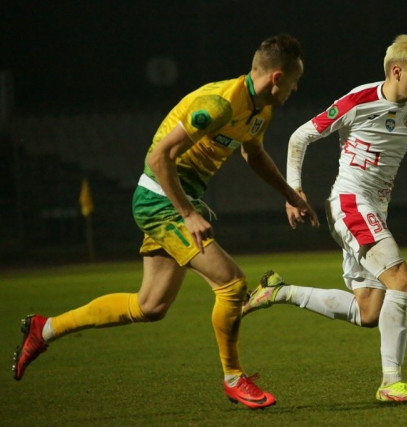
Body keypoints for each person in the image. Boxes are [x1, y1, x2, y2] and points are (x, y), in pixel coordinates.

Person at [12, 33, 319, 410]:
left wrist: (291, 196)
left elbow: (253, 155)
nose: (295, 88)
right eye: (294, 80)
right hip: (159, 198)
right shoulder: (219, 104)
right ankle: (233, 379)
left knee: (150, 306)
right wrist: (188, 214)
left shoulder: (260, 111)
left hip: (178, 199)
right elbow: (160, 158)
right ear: (276, 77)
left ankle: (44, 329)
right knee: (231, 283)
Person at [243, 34, 407, 402]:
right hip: (350, 203)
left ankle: (279, 291)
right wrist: (295, 191)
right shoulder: (359, 100)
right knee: (401, 280)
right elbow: (299, 137)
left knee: (369, 311)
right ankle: (391, 383)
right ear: (397, 71)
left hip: (375, 209)